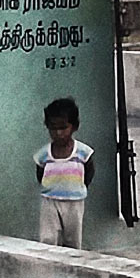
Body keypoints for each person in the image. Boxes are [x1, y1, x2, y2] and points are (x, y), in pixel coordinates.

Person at [33, 97, 94, 249]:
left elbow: (89, 173)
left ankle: (73, 268)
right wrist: (51, 188)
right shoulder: (44, 154)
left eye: (63, 128)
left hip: (75, 202)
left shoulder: (82, 152)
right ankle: (49, 268)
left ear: (74, 127)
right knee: (48, 238)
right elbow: (40, 175)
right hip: (50, 202)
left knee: (73, 239)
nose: (58, 133)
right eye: (53, 128)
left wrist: (77, 187)